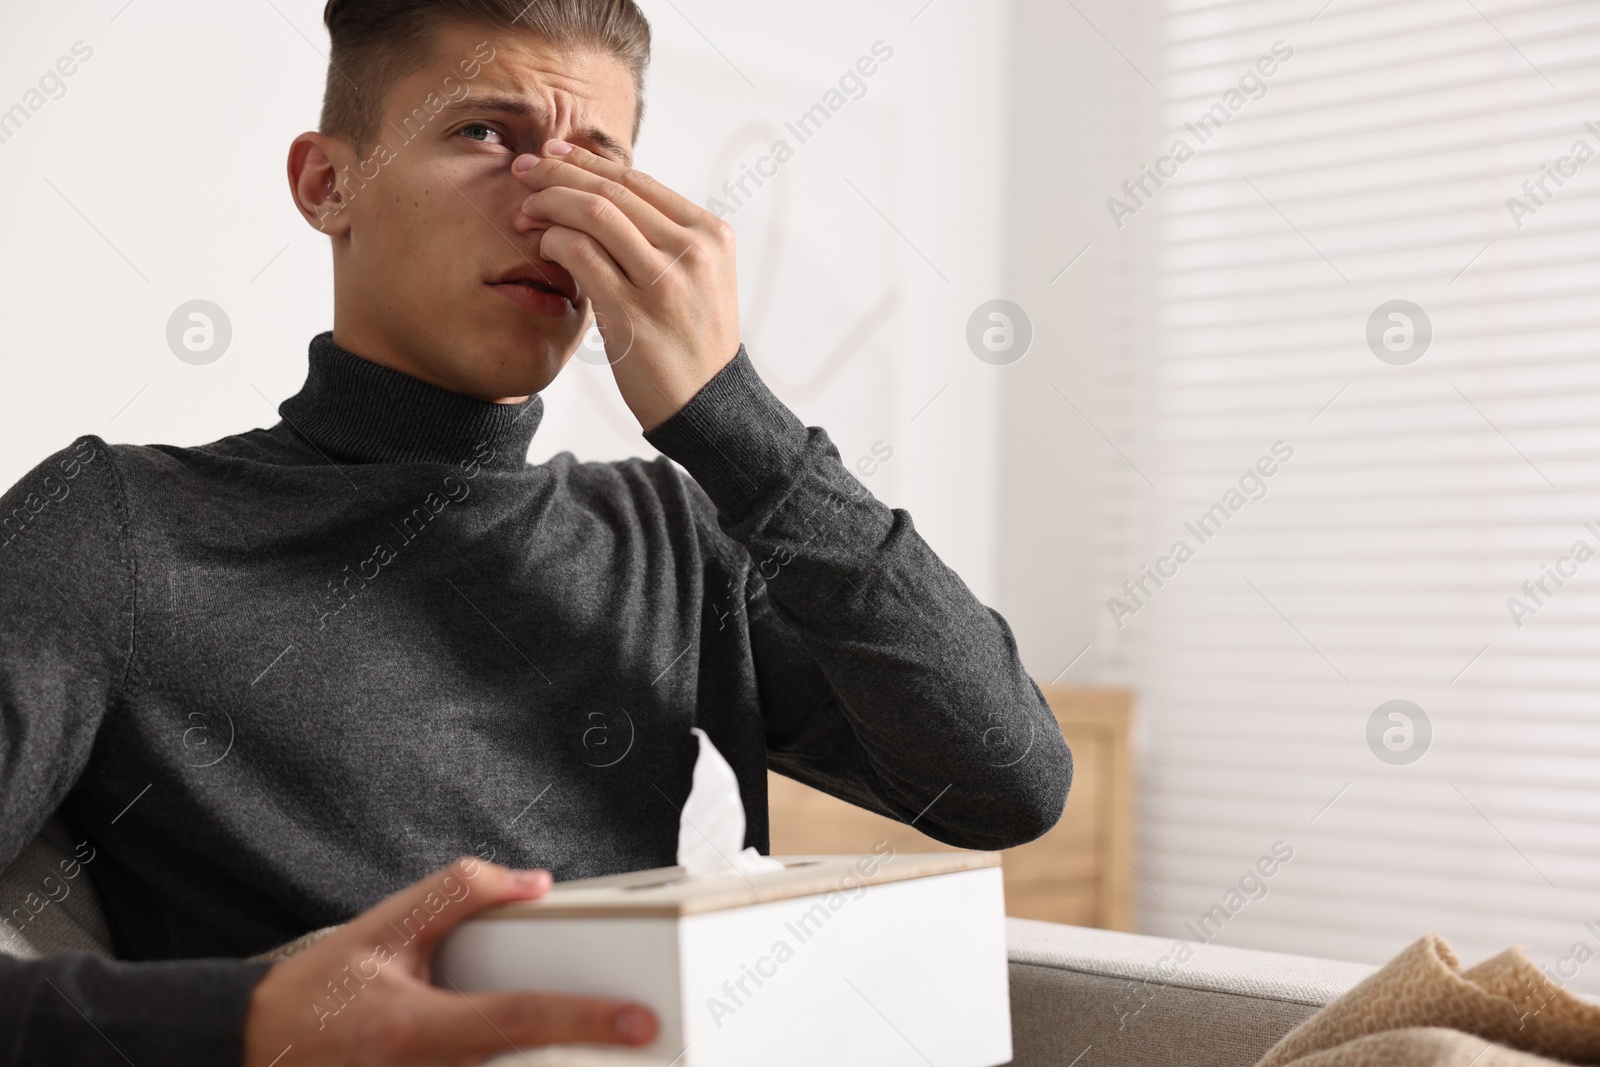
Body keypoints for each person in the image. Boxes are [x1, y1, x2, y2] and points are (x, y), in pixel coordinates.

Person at [0, 1, 1073, 1063]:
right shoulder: (115, 528)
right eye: (483, 135)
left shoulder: (673, 529)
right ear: (329, 185)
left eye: (596, 162)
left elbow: (1006, 781)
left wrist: (731, 416)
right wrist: (250, 1020)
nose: (550, 208)